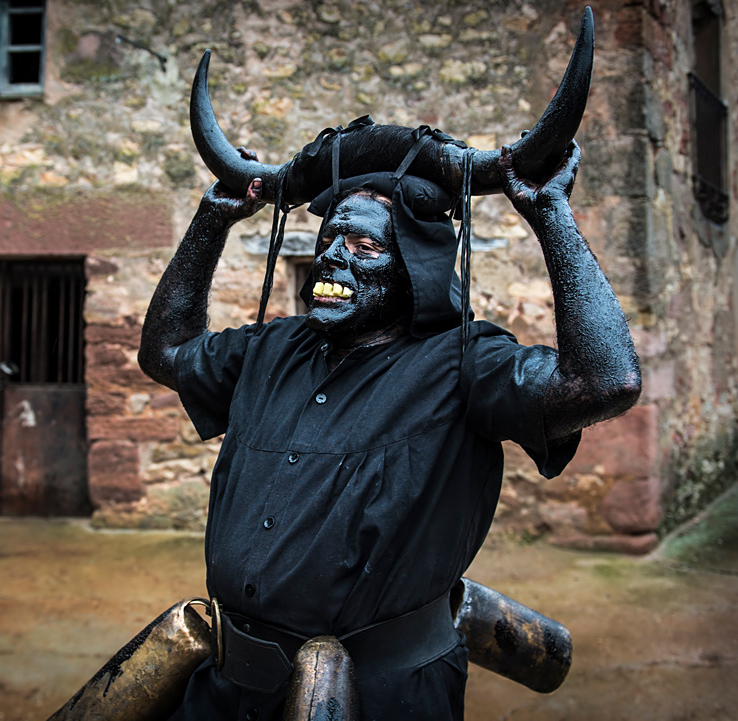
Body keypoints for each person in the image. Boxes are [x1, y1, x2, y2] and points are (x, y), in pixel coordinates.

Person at [137, 138, 641, 720]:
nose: (333, 257)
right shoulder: (270, 348)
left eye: (366, 246)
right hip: (224, 693)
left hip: (385, 699)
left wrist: (550, 213)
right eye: (328, 240)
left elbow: (608, 382)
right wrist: (212, 220)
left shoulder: (465, 365)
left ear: (417, 271)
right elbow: (166, 352)